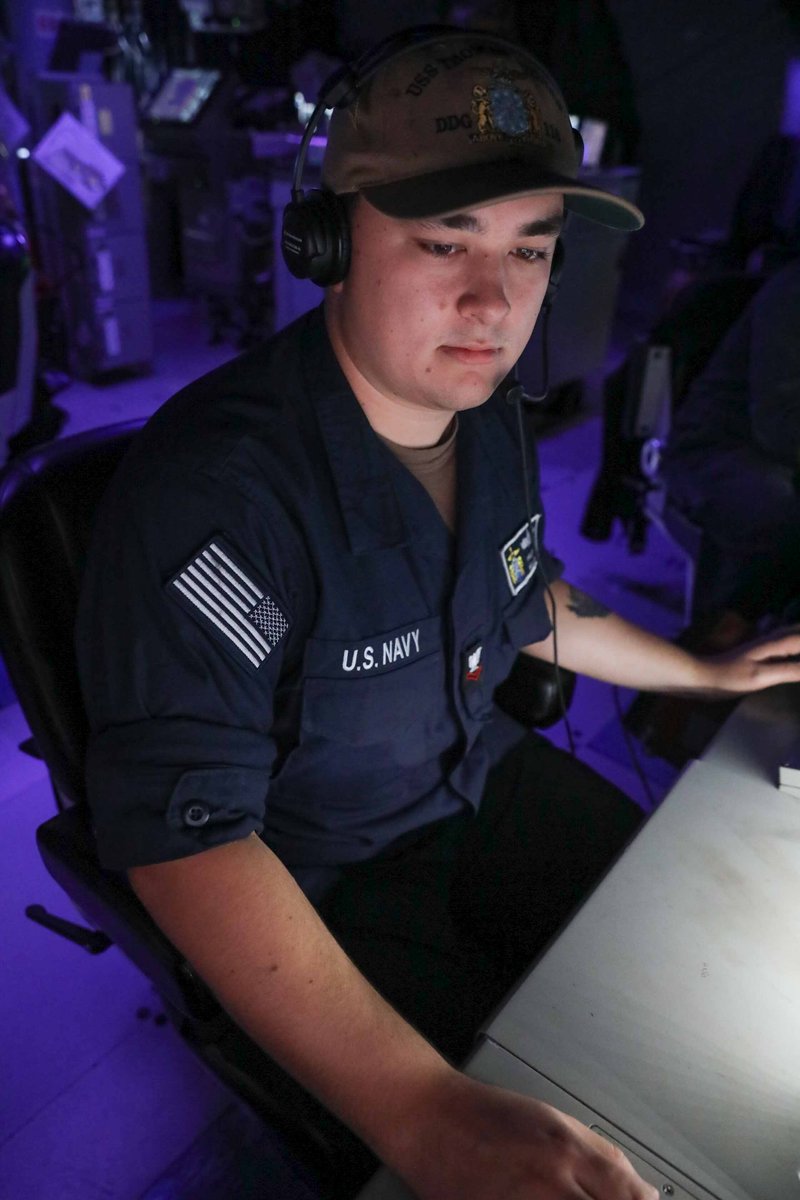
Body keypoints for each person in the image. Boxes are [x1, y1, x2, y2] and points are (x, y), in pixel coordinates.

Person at [76, 28, 800, 1200]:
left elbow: (520, 602)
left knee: (690, 989)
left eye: (530, 249)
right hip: (326, 874)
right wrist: (418, 1112)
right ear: (326, 242)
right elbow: (186, 840)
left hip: (483, 782)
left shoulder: (486, 409)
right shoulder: (213, 500)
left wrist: (697, 674)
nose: (492, 300)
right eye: (440, 239)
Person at [662, 254, 800, 650]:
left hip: (777, 455)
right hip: (719, 447)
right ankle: (700, 671)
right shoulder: (793, 292)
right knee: (781, 513)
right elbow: (778, 422)